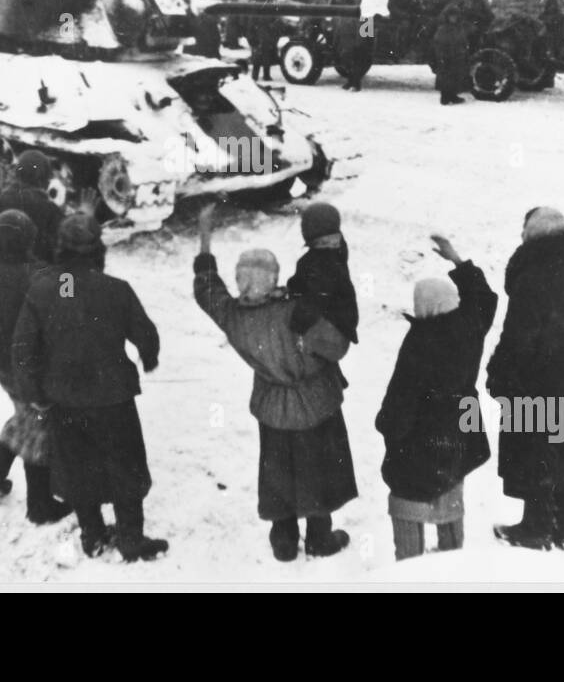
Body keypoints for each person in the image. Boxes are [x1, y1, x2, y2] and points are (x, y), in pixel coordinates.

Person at [191, 203, 356, 561]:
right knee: (319, 467)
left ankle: (283, 541)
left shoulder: (234, 317)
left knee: (277, 470)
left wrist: (205, 236)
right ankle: (319, 537)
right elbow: (338, 347)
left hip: (271, 406)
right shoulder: (296, 311)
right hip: (315, 400)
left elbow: (207, 290)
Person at [12, 214, 167, 561]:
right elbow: (146, 334)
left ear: (60, 249)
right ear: (98, 249)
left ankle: (93, 535)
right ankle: (130, 538)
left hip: (64, 400)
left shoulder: (42, 289)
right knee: (125, 466)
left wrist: (35, 395)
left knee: (78, 468)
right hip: (114, 398)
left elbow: (22, 351)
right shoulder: (115, 289)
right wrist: (149, 356)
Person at [376, 232, 498, 560]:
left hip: (419, 445)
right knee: (450, 493)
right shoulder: (470, 326)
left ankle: (410, 569)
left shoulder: (419, 344)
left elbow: (398, 406)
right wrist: (458, 261)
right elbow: (485, 298)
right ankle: (451, 561)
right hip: (458, 435)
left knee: (410, 504)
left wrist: (385, 425)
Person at [0, 210, 73, 525]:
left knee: (25, 416)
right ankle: (40, 506)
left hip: (4, 368)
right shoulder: (42, 274)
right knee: (38, 426)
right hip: (37, 371)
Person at [485, 207, 564, 551]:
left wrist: (498, 372)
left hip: (532, 382)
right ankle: (562, 528)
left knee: (535, 455)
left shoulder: (532, 277)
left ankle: (535, 528)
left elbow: (517, 334)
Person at [287, 202, 359, 350]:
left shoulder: (317, 263)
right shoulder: (338, 248)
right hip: (343, 323)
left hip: (334, 333)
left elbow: (314, 300)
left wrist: (296, 326)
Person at [0, 149, 64, 263]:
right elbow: (64, 254)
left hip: (0, 275)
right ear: (45, 180)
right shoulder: (51, 210)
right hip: (37, 278)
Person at [431, 3, 470, 105]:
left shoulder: (459, 28)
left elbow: (463, 41)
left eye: (455, 16)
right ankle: (445, 97)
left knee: (456, 76)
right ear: (447, 17)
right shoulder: (443, 29)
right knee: (446, 77)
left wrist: (464, 51)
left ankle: (453, 96)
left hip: (457, 56)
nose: (454, 18)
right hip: (446, 56)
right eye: (451, 16)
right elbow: (438, 43)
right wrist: (442, 56)